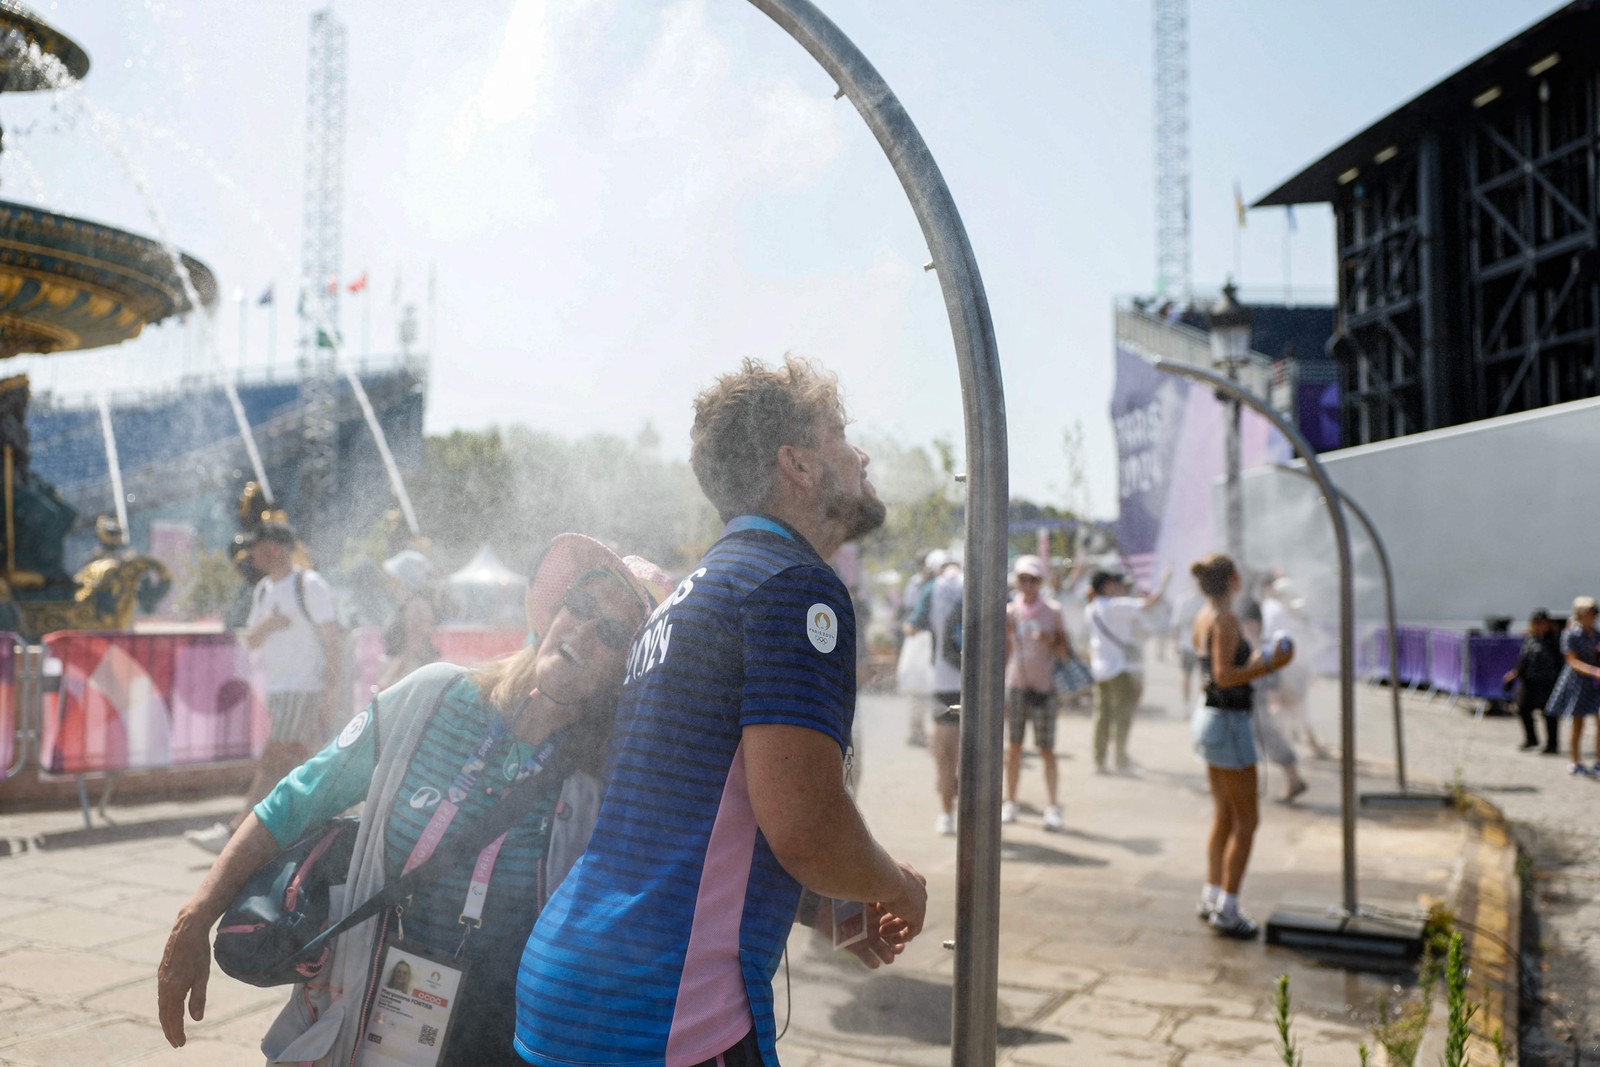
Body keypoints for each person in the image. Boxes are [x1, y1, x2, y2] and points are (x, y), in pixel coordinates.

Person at [513, 356, 928, 1067]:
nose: (860, 454)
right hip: (664, 1010)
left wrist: (826, 907)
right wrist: (896, 886)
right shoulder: (794, 585)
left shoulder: (691, 595)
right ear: (797, 463)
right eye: (840, 434)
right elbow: (804, 825)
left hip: (572, 986)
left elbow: (689, 824)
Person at [157, 533, 670, 1066]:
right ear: (555, 609)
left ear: (627, 667)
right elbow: (295, 801)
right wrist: (195, 917)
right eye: (581, 606)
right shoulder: (433, 697)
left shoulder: (608, 786)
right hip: (360, 1015)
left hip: (499, 1043)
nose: (583, 632)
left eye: (611, 631)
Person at [186, 521, 343, 854]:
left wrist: (330, 688)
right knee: (306, 759)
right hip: (280, 690)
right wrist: (269, 625)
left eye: (255, 546)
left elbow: (332, 637)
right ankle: (337, 825)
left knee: (274, 759)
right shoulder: (263, 590)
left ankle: (235, 834)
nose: (250, 553)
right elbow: (253, 641)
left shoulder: (308, 584)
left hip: (304, 688)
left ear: (273, 548)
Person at [1189, 552, 1292, 939]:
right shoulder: (1226, 618)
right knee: (1247, 821)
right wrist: (1269, 665)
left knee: (1224, 816)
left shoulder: (1204, 614)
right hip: (1229, 722)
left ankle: (1212, 894)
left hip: (1210, 719)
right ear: (1233, 578)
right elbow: (1224, 675)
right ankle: (1228, 909)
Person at [1002, 554, 1070, 831]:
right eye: (1022, 579)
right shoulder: (1009, 612)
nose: (1027, 585)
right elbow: (1005, 652)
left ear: (1040, 582)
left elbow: (1065, 652)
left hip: (1044, 688)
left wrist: (1051, 639)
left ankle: (1052, 805)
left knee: (1047, 750)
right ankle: (1011, 800)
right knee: (1013, 748)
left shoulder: (1052, 611)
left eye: (1032, 580)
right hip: (1017, 685)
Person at [1085, 567, 1168, 775]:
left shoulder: (1091, 608)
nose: (1117, 586)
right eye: (1113, 583)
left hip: (1099, 669)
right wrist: (1165, 581)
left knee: (1101, 716)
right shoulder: (1115, 606)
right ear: (1106, 586)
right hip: (1118, 669)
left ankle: (1100, 760)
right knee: (1122, 716)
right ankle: (1120, 759)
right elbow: (1149, 603)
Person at [1260, 576, 1326, 759]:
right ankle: (1281, 746)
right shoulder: (1278, 611)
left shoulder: (1269, 607)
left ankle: (1288, 743)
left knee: (1287, 704)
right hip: (1281, 665)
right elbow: (1283, 643)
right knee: (1283, 704)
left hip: (1276, 664)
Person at [1545, 596, 1600, 776]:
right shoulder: (1571, 634)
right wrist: (1593, 671)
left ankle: (1598, 760)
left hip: (1595, 682)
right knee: (1578, 722)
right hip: (1579, 681)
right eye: (1590, 612)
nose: (1593, 616)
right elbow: (1572, 661)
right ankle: (1575, 761)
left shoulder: (1595, 634)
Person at [1504, 608, 1563, 753]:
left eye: (1543, 622)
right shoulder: (1530, 638)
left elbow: (1560, 661)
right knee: (1523, 708)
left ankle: (1552, 744)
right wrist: (1515, 672)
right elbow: (1523, 658)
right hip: (1529, 679)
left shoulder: (1555, 640)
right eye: (1537, 623)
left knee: (1549, 713)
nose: (1540, 625)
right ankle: (1531, 739)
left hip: (1548, 680)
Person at [376, 592, 441, 691]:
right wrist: (400, 662)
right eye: (411, 619)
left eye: (422, 620)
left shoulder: (440, 661)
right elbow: (381, 693)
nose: (416, 625)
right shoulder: (387, 659)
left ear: (431, 624)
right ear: (402, 621)